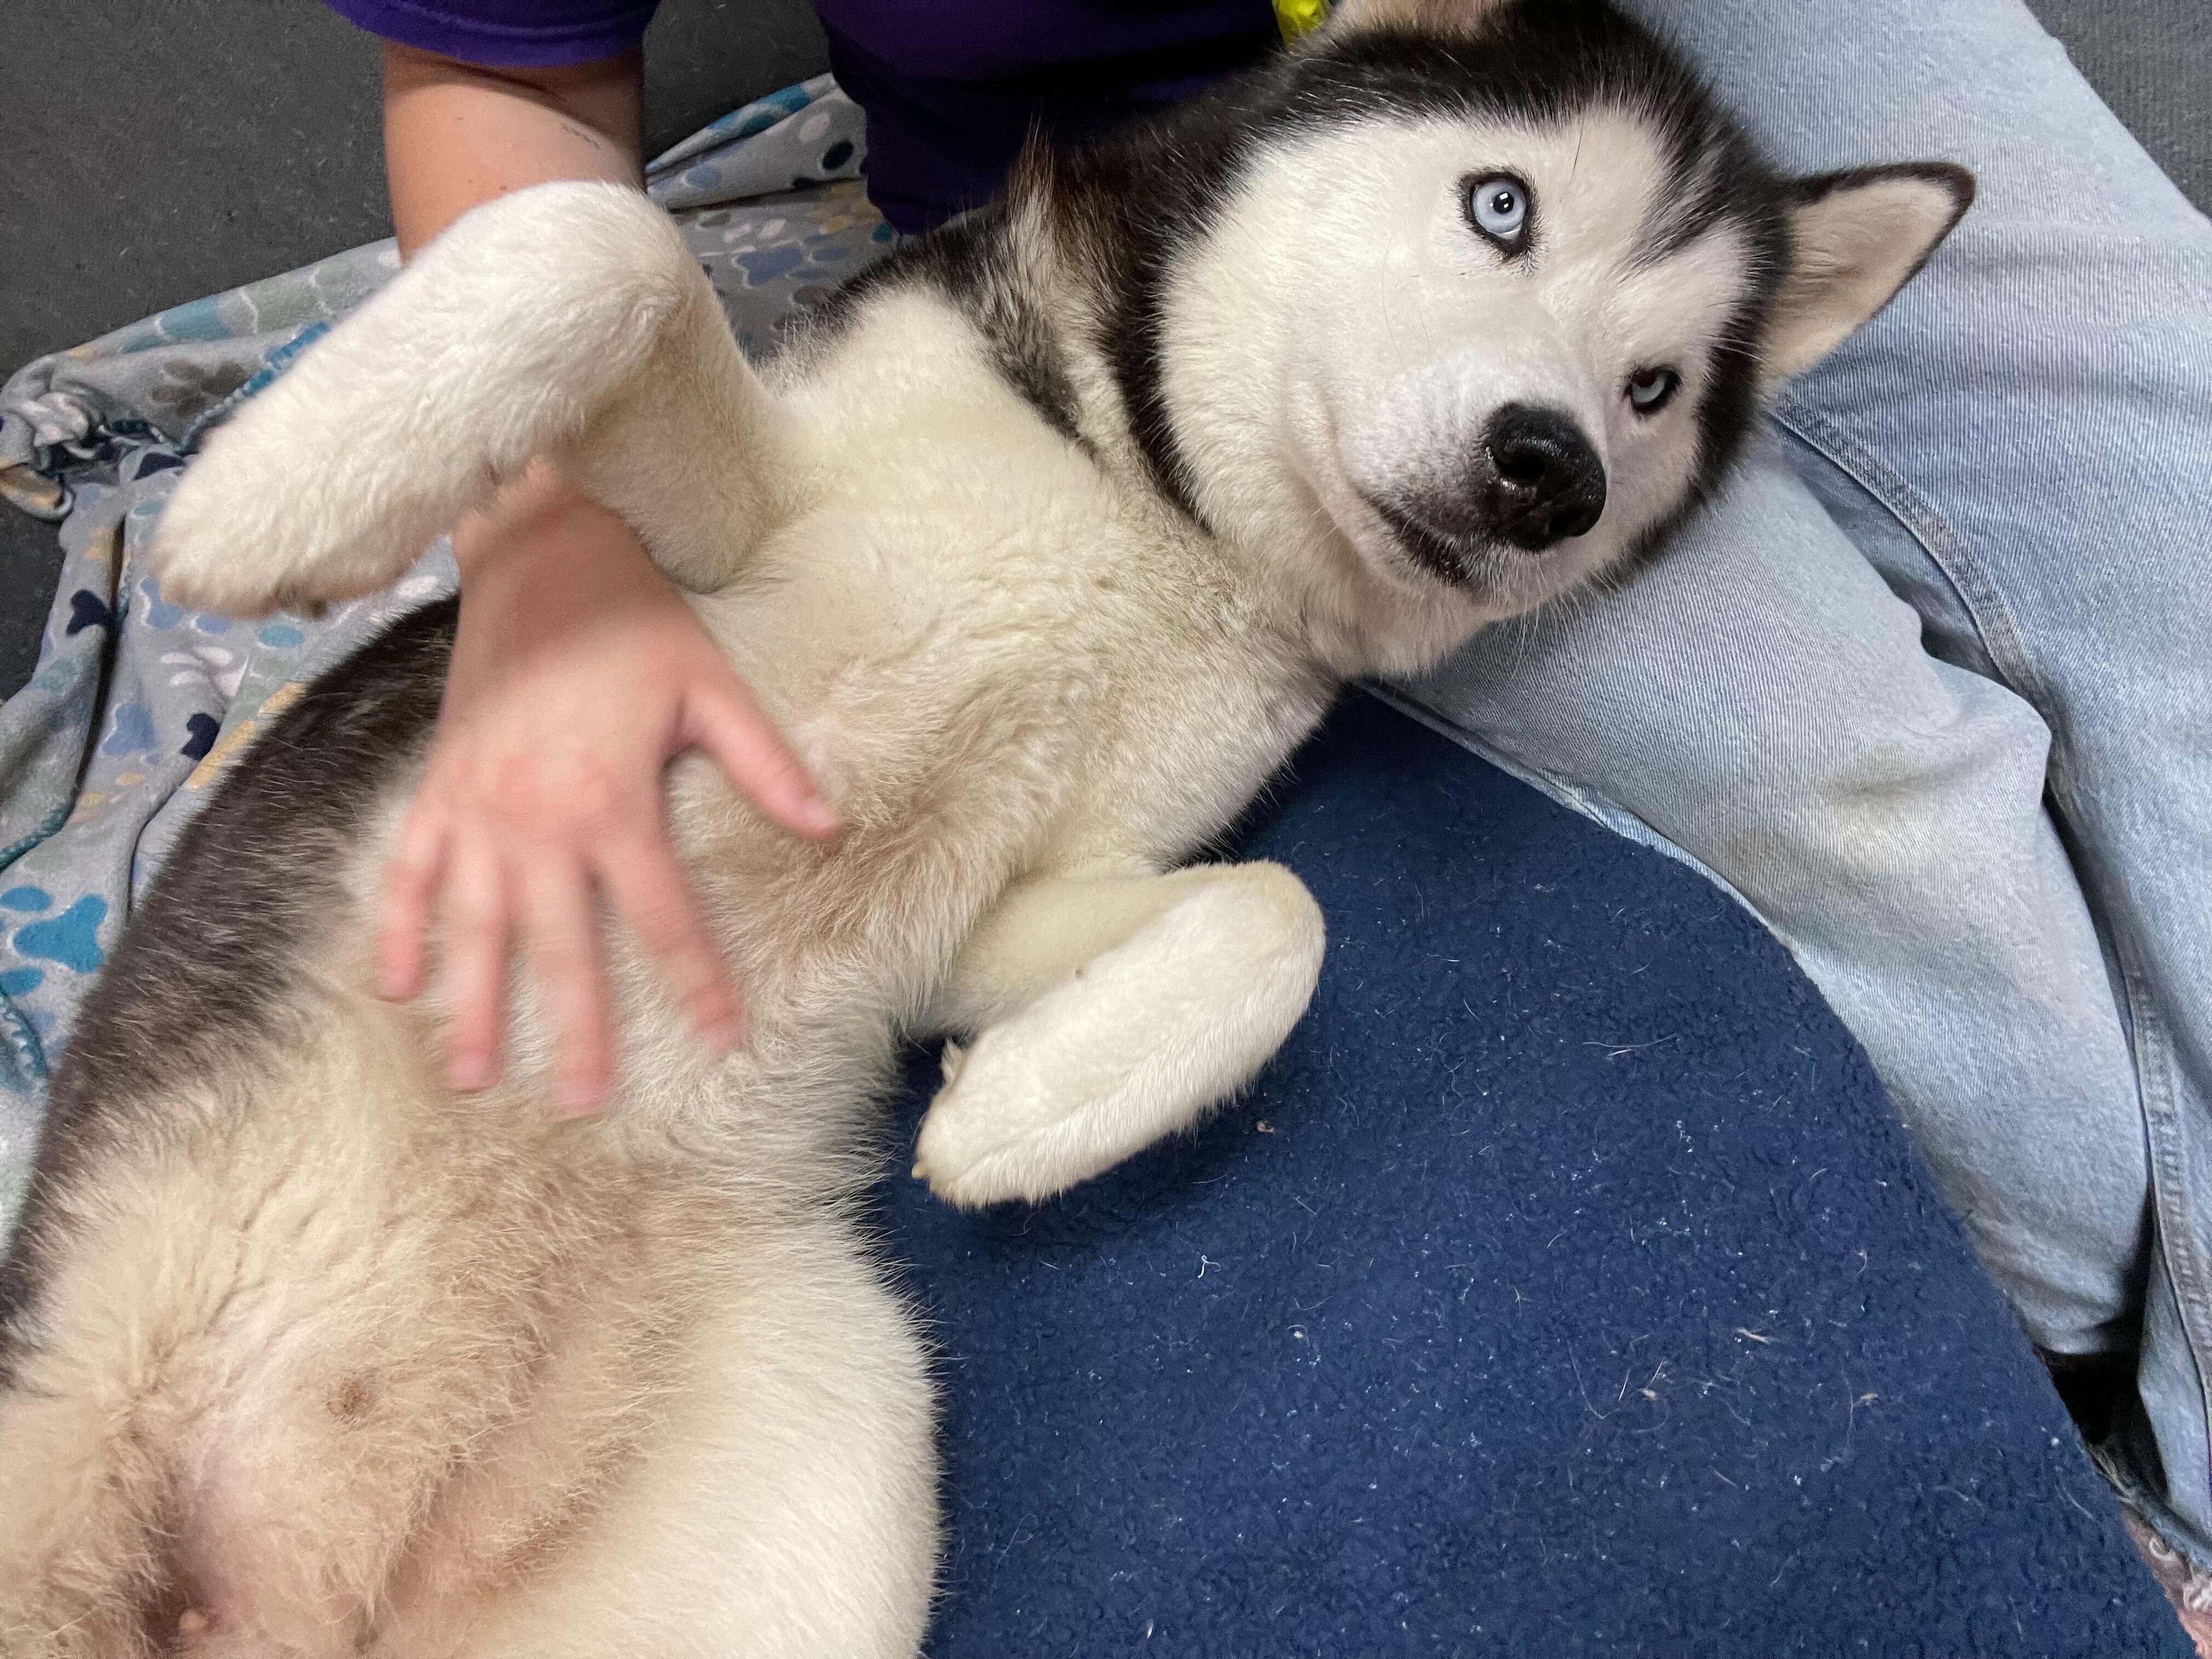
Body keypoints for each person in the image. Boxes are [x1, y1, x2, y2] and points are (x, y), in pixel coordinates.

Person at [324, 0, 2212, 1612]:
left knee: (2177, 487)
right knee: (1932, 903)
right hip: (1192, 175)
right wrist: (550, 533)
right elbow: (509, 60)